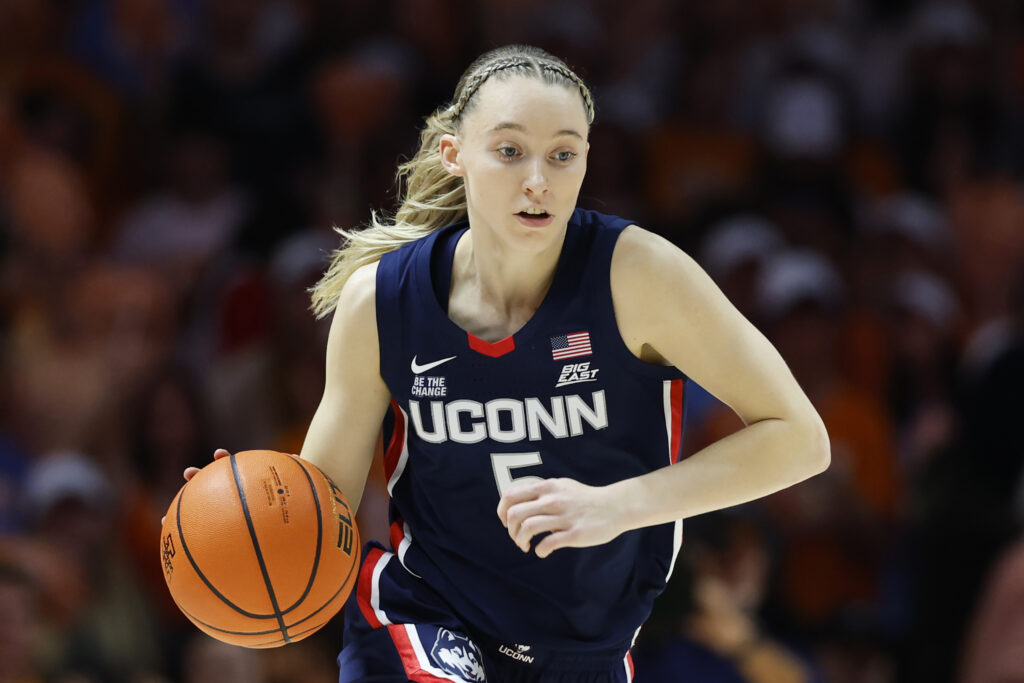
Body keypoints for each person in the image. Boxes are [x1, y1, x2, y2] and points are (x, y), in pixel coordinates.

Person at [187, 45, 829, 682]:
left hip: (590, 650)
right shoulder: (382, 302)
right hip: (427, 615)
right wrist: (249, 510)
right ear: (454, 155)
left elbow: (800, 438)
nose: (538, 181)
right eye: (510, 150)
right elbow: (319, 511)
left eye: (563, 155)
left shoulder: (638, 276)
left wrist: (618, 505)